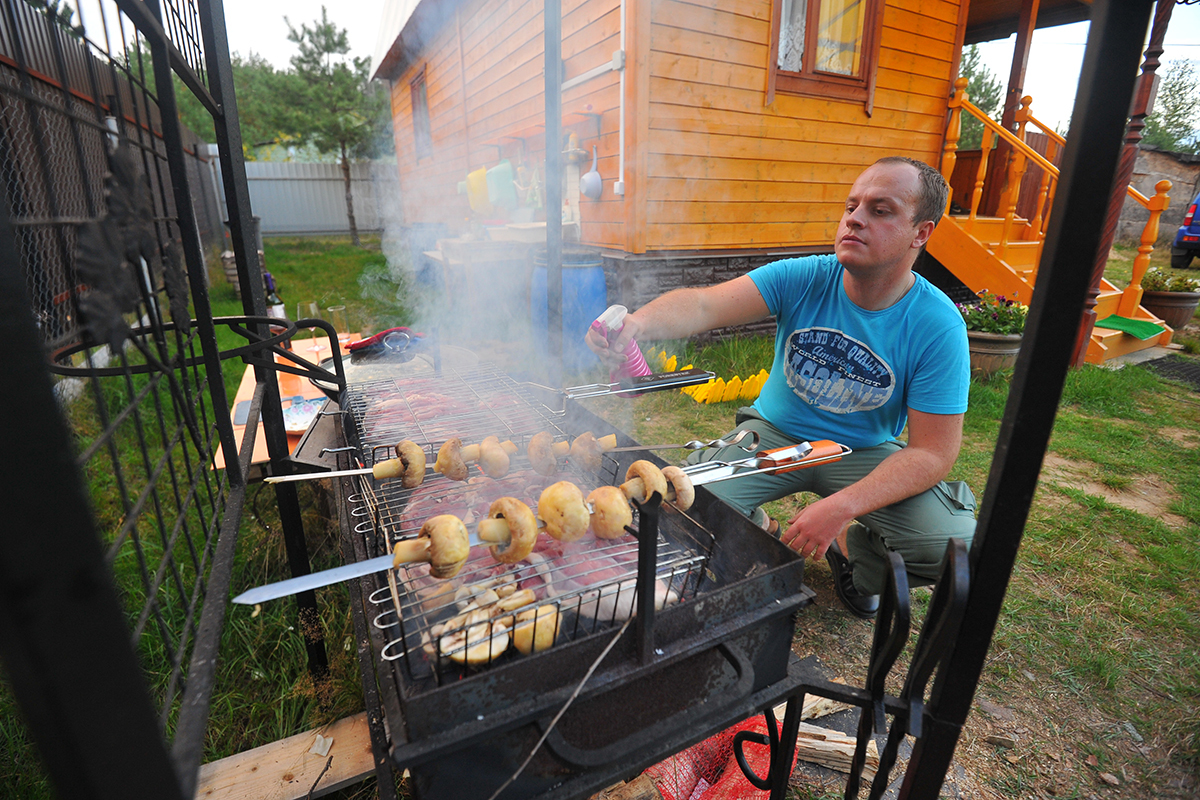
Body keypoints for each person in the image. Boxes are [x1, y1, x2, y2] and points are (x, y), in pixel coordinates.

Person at [586, 156, 976, 618]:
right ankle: (759, 528)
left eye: (881, 209)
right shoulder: (806, 276)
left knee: (951, 544)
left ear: (921, 232)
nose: (855, 218)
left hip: (861, 453)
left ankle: (851, 549)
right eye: (851, 205)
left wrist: (842, 508)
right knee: (679, 505)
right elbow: (706, 306)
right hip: (771, 435)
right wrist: (638, 322)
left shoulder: (938, 325)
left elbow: (933, 452)